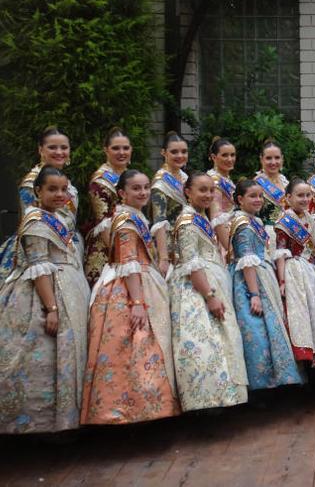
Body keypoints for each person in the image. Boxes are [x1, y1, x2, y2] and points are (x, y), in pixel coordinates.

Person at [82, 169, 180, 424]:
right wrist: (137, 303)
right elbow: (128, 263)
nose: (144, 192)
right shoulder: (126, 221)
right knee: (138, 346)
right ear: (122, 193)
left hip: (139, 279)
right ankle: (138, 411)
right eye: (136, 188)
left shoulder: (133, 216)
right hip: (131, 288)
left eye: (146, 187)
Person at [0, 166, 89, 434]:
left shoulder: (55, 218)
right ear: (37, 191)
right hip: (45, 296)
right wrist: (51, 309)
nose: (59, 194)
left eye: (63, 189)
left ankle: (64, 421)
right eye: (52, 189)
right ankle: (43, 425)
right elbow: (39, 268)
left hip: (69, 288)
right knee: (46, 359)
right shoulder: (36, 222)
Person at [168, 172, 248, 411]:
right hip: (198, 288)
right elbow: (191, 264)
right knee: (205, 343)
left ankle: (224, 399)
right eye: (202, 190)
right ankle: (209, 403)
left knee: (220, 341)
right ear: (187, 192)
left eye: (211, 190)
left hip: (210, 279)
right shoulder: (188, 222)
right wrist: (210, 297)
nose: (208, 195)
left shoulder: (200, 216)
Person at [228, 180, 304, 390]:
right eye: (252, 196)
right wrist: (253, 294)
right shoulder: (243, 223)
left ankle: (276, 380)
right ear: (240, 199)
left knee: (270, 328)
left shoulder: (255, 220)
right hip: (251, 281)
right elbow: (246, 259)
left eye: (260, 196)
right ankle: (263, 385)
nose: (258, 200)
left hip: (263, 274)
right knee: (257, 330)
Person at [0, 127, 80, 281]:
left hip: (65, 249)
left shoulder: (63, 178)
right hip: (40, 253)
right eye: (52, 147)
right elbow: (32, 227)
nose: (59, 152)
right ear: (41, 150)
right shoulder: (32, 183)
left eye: (64, 147)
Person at [275, 179, 315, 370]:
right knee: (300, 315)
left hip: (312, 271)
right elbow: (281, 253)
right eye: (300, 195)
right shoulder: (284, 222)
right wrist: (282, 280)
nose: (304, 199)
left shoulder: (312, 219)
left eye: (308, 195)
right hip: (295, 272)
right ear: (288, 197)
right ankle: (305, 360)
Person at [83, 127, 130, 285]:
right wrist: (120, 254)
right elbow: (103, 224)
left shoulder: (129, 175)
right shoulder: (100, 181)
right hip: (107, 249)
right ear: (106, 150)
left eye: (125, 148)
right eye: (115, 148)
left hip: (129, 241)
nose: (121, 152)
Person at [150, 131, 189, 277]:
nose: (180, 156)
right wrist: (163, 258)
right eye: (174, 152)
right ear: (163, 153)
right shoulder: (160, 182)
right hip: (168, 244)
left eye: (184, 151)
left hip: (185, 238)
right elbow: (159, 221)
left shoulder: (184, 177)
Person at [207, 136, 237, 257]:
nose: (230, 159)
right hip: (222, 239)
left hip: (232, 233)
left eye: (232, 155)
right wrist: (230, 251)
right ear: (214, 157)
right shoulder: (214, 181)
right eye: (225, 155)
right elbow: (216, 218)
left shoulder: (225, 179)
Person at [254, 140, 288, 228]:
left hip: (287, 231)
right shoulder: (257, 183)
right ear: (261, 159)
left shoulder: (285, 181)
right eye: (269, 158)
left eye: (277, 158)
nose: (273, 162)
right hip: (266, 233)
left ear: (282, 159)